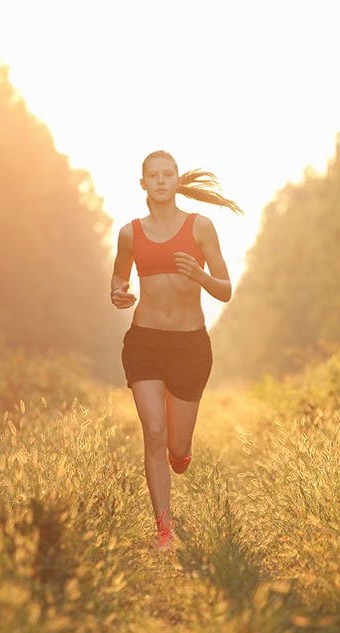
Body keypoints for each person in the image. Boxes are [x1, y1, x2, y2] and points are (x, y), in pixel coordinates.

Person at [110, 149, 242, 550]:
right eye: (154, 175)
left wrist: (199, 274)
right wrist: (119, 295)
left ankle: (180, 456)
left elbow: (225, 289)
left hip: (189, 344)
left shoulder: (200, 227)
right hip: (145, 341)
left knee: (176, 447)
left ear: (177, 180)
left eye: (169, 174)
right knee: (153, 432)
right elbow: (118, 280)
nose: (162, 181)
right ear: (143, 183)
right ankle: (163, 531)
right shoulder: (130, 233)